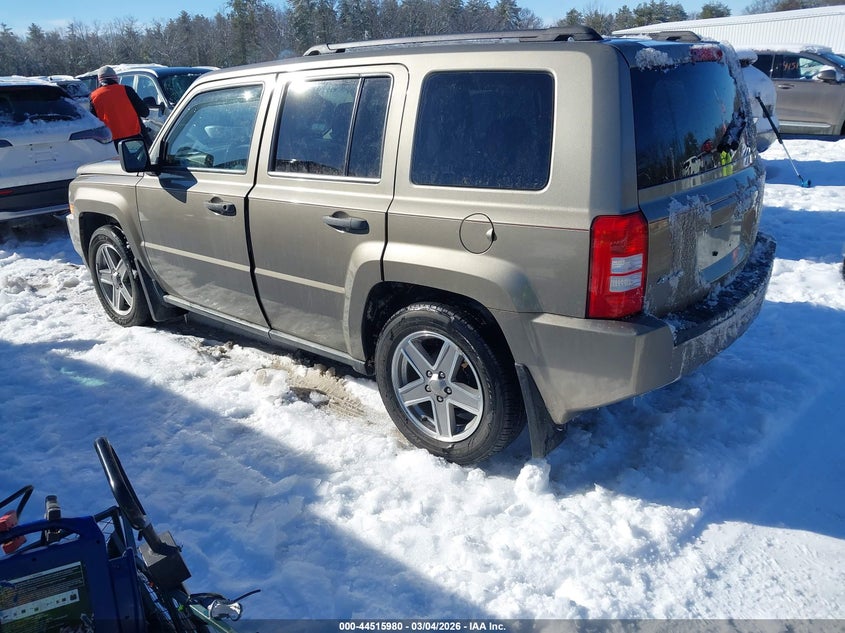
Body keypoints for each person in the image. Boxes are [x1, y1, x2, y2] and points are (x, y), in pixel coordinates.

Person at [89, 66, 150, 149]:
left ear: (99, 80)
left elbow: (93, 123)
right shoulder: (127, 90)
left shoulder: (93, 96)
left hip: (110, 143)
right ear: (115, 78)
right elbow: (145, 112)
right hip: (136, 138)